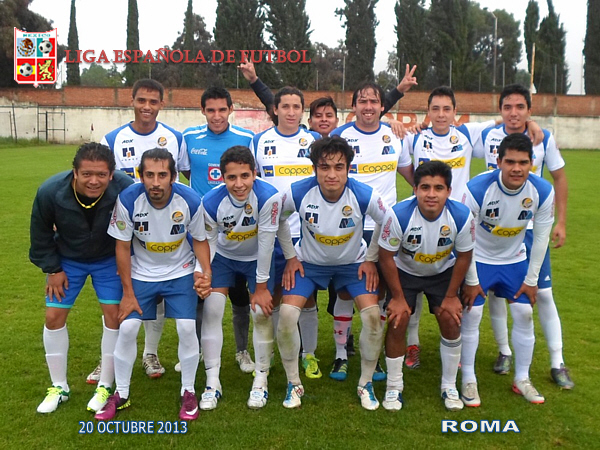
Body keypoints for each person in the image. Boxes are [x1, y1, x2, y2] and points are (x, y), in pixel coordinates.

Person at [401, 86, 544, 371]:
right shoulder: (413, 137)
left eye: (447, 109)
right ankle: (412, 345)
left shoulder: (468, 133)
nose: (441, 114)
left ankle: (457, 350)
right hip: (424, 220)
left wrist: (531, 122)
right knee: (413, 287)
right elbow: (406, 169)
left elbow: (505, 122)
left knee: (459, 289)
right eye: (435, 109)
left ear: (456, 112)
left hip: (460, 224)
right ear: (427, 112)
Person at [95, 148, 211, 421]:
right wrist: (127, 293)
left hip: (180, 271)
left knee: (186, 327)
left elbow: (200, 240)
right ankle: (121, 393)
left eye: (162, 175)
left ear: (173, 177)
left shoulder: (190, 200)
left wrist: (205, 272)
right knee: (128, 328)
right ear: (140, 175)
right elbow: (122, 246)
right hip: (142, 273)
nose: (155, 182)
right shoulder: (128, 199)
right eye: (149, 175)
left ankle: (188, 391)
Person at [89, 79, 190, 381]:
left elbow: (187, 178)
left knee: (157, 290)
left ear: (162, 104)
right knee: (118, 293)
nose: (147, 107)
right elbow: (99, 178)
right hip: (123, 225)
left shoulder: (174, 138)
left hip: (163, 226)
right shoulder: (113, 138)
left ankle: (150, 353)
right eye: (141, 100)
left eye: (153, 101)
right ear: (131, 100)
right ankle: (107, 359)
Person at [276, 136, 387, 410]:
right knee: (287, 315)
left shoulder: (364, 195)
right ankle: (293, 383)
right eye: (324, 167)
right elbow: (276, 217)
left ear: (349, 168)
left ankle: (365, 383)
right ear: (315, 168)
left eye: (339, 167)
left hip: (352, 264)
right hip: (309, 264)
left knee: (373, 317)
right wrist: (290, 256)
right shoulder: (298, 192)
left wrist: (371, 259)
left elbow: (387, 221)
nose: (332, 174)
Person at [476, 84, 573, 389]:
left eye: (520, 107)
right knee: (495, 294)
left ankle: (557, 361)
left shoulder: (544, 138)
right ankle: (504, 351)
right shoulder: (487, 136)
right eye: (507, 107)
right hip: (494, 232)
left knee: (542, 293)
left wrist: (561, 222)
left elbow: (559, 178)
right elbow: (451, 136)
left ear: (530, 110)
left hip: (530, 229)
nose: (514, 113)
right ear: (500, 110)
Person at [30, 143, 133, 414]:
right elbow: (40, 234)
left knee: (113, 316)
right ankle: (59, 387)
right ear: (74, 172)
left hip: (108, 259)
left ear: (112, 173)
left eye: (101, 174)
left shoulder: (126, 188)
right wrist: (53, 269)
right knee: (53, 316)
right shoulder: (50, 191)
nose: (94, 181)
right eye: (86, 174)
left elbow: (140, 225)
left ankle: (105, 385)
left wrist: (128, 262)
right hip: (67, 260)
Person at [328, 81, 414, 381]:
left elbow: (411, 176)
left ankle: (372, 354)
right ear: (354, 106)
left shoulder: (395, 135)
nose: (368, 106)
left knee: (378, 292)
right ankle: (340, 355)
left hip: (385, 227)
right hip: (348, 225)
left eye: (373, 101)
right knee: (345, 289)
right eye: (362, 101)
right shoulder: (340, 136)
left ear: (382, 106)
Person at [461, 133, 555, 406]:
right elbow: (465, 239)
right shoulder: (477, 189)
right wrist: (471, 280)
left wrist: (532, 279)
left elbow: (541, 238)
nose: (517, 168)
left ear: (532, 163)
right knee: (472, 313)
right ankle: (468, 379)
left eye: (523, 162)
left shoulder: (542, 191)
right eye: (510, 162)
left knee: (524, 313)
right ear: (498, 161)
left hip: (514, 259)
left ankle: (522, 379)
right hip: (479, 258)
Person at [378, 161, 475, 411]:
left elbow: (464, 256)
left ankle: (449, 386)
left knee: (451, 318)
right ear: (415, 189)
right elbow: (386, 256)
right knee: (398, 319)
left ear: (449, 191)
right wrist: (397, 297)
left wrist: (451, 296)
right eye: (425, 187)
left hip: (442, 273)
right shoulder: (398, 214)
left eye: (438, 188)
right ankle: (394, 386)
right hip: (405, 272)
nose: (431, 194)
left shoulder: (462, 216)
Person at [198, 146, 282, 410]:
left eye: (245, 176)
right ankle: (212, 382)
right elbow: (209, 242)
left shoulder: (268, 196)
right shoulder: (210, 202)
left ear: (254, 173)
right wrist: (205, 274)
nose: (239, 184)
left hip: (257, 257)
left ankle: (261, 380)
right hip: (223, 257)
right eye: (231, 177)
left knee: (260, 312)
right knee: (212, 309)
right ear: (222, 177)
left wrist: (261, 287)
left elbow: (267, 243)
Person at [250, 86, 323, 379]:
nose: (291, 112)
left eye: (296, 107)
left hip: (307, 233)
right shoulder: (260, 141)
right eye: (286, 106)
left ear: (302, 111)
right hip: (271, 233)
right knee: (273, 295)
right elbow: (252, 182)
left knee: (307, 296)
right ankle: (275, 352)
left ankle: (309, 354)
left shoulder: (314, 141)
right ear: (275, 109)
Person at [183, 86, 256, 374]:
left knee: (239, 294)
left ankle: (242, 350)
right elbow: (186, 172)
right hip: (202, 228)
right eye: (210, 110)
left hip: (237, 227)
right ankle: (200, 350)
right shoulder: (189, 138)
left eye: (222, 110)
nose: (216, 116)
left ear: (230, 109)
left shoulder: (246, 138)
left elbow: (251, 177)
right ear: (202, 110)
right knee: (201, 290)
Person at [238, 60, 418, 133]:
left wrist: (391, 119)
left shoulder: (343, 137)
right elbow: (274, 104)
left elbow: (370, 112)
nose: (324, 120)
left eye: (329, 115)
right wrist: (254, 80)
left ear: (337, 121)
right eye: (318, 116)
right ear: (309, 121)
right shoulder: (303, 137)